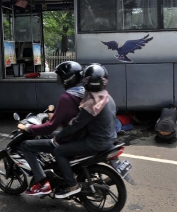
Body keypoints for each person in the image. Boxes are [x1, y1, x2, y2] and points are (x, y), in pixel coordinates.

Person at [18, 61, 85, 196]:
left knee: (26, 145)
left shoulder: (66, 98)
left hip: (70, 139)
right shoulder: (83, 93)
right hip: (79, 135)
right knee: (45, 137)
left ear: (68, 78)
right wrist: (55, 116)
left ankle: (42, 182)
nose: (58, 80)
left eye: (60, 76)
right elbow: (71, 115)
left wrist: (29, 128)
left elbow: (49, 127)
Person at [51, 63, 117, 198]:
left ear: (85, 81)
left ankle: (72, 185)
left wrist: (58, 137)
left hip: (97, 142)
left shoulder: (93, 102)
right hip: (110, 139)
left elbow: (75, 125)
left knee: (59, 151)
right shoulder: (107, 97)